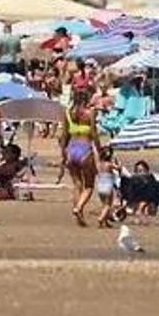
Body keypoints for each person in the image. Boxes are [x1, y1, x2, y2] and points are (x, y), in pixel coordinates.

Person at [62, 96, 100, 228]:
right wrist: (100, 150)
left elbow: (64, 135)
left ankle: (80, 217)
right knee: (89, 185)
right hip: (85, 149)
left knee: (77, 184)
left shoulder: (68, 112)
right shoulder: (90, 113)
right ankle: (78, 208)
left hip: (71, 149)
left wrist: (63, 154)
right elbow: (94, 134)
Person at [93, 147, 120, 228]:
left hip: (100, 186)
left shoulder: (98, 164)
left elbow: (96, 155)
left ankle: (105, 222)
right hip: (108, 186)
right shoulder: (109, 164)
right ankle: (101, 218)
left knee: (104, 204)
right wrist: (116, 160)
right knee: (108, 205)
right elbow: (119, 168)